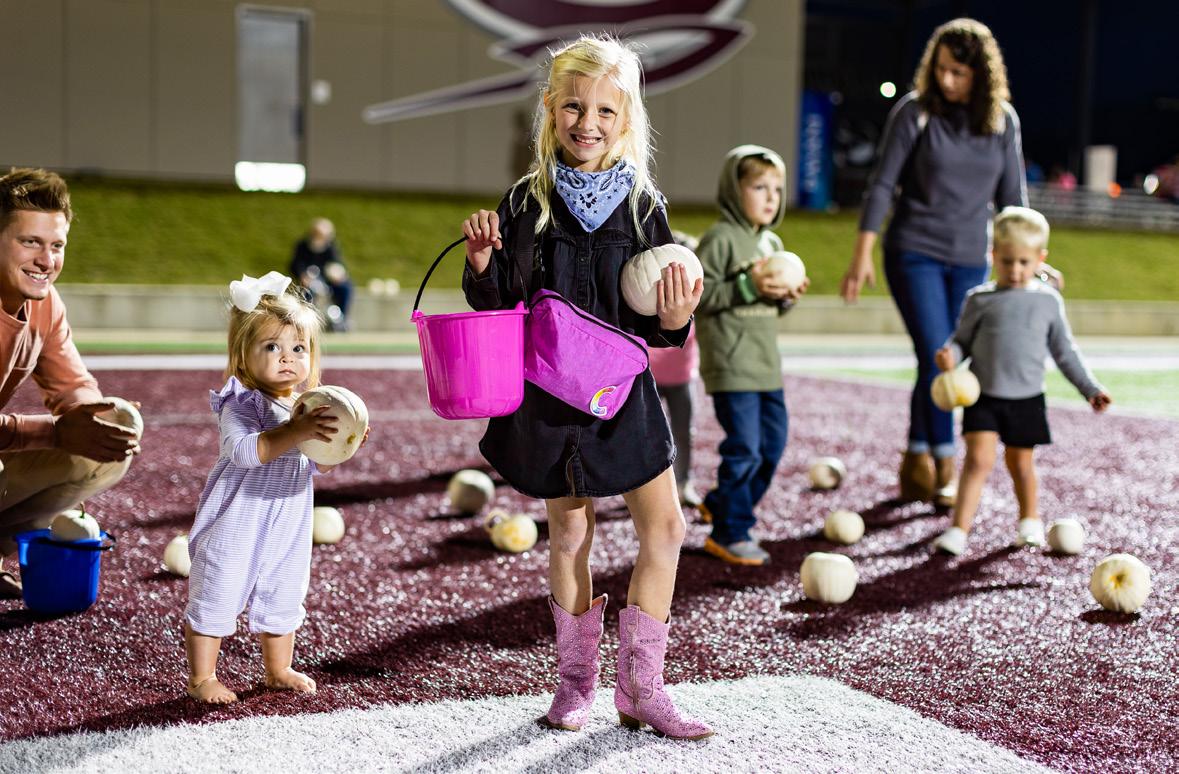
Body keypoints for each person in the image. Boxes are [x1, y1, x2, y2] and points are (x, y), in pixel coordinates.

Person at [460, 35, 711, 740]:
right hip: (550, 393)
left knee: (666, 526)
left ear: (626, 117)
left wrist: (676, 317)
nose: (587, 122)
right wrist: (481, 262)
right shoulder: (526, 202)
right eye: (573, 106)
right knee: (570, 529)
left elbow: (659, 326)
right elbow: (498, 304)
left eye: (605, 109)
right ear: (549, 108)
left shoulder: (643, 207)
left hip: (621, 394)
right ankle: (576, 684)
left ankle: (643, 688)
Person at [839, 18, 1030, 508]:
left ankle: (916, 455)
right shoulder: (915, 112)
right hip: (914, 251)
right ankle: (946, 462)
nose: (947, 80)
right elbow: (883, 184)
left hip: (970, 260)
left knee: (939, 358)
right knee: (938, 352)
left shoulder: (1002, 121)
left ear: (980, 75)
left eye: (958, 73)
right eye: (941, 69)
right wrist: (862, 253)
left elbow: (1013, 201)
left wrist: (1029, 262)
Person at [183, 274, 350, 704]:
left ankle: (278, 668)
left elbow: (315, 464)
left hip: (288, 522)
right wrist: (295, 430)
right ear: (243, 354)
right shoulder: (242, 402)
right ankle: (202, 677)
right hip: (237, 520)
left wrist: (341, 444)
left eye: (299, 348)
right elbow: (243, 451)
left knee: (284, 590)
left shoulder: (305, 407)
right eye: (272, 347)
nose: (288, 358)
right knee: (218, 590)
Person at [931, 207, 1111, 556]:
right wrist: (950, 355)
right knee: (977, 461)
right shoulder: (979, 299)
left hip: (1026, 399)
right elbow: (962, 341)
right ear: (993, 255)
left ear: (1040, 259)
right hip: (982, 397)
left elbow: (1065, 352)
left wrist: (1090, 388)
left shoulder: (1048, 302)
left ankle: (1029, 520)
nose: (1015, 270)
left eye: (1024, 262)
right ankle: (958, 530)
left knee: (1021, 463)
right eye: (1007, 261)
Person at [0, 168, 140, 598]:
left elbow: (72, 384)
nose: (47, 261)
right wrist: (55, 432)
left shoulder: (46, 304)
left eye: (56, 245)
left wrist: (86, 420)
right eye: (30, 242)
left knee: (116, 426)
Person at [694, 146, 809, 566]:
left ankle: (721, 502)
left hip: (765, 366)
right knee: (745, 448)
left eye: (777, 189)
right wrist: (749, 285)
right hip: (731, 364)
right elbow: (700, 296)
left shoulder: (771, 242)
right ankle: (730, 531)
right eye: (760, 187)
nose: (771, 197)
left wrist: (787, 297)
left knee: (772, 447)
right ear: (733, 189)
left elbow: (771, 307)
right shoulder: (720, 239)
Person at [649, 230, 702, 509]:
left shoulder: (697, 290)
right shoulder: (650, 290)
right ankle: (646, 488)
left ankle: (684, 483)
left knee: (683, 432)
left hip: (682, 376)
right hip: (650, 375)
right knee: (648, 434)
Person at [290, 218, 353, 332]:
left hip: (328, 281)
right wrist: (303, 275)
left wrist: (338, 275)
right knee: (308, 291)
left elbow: (337, 264)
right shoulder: (302, 246)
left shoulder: (331, 247)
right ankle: (308, 320)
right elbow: (295, 265)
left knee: (345, 287)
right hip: (308, 282)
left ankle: (341, 320)